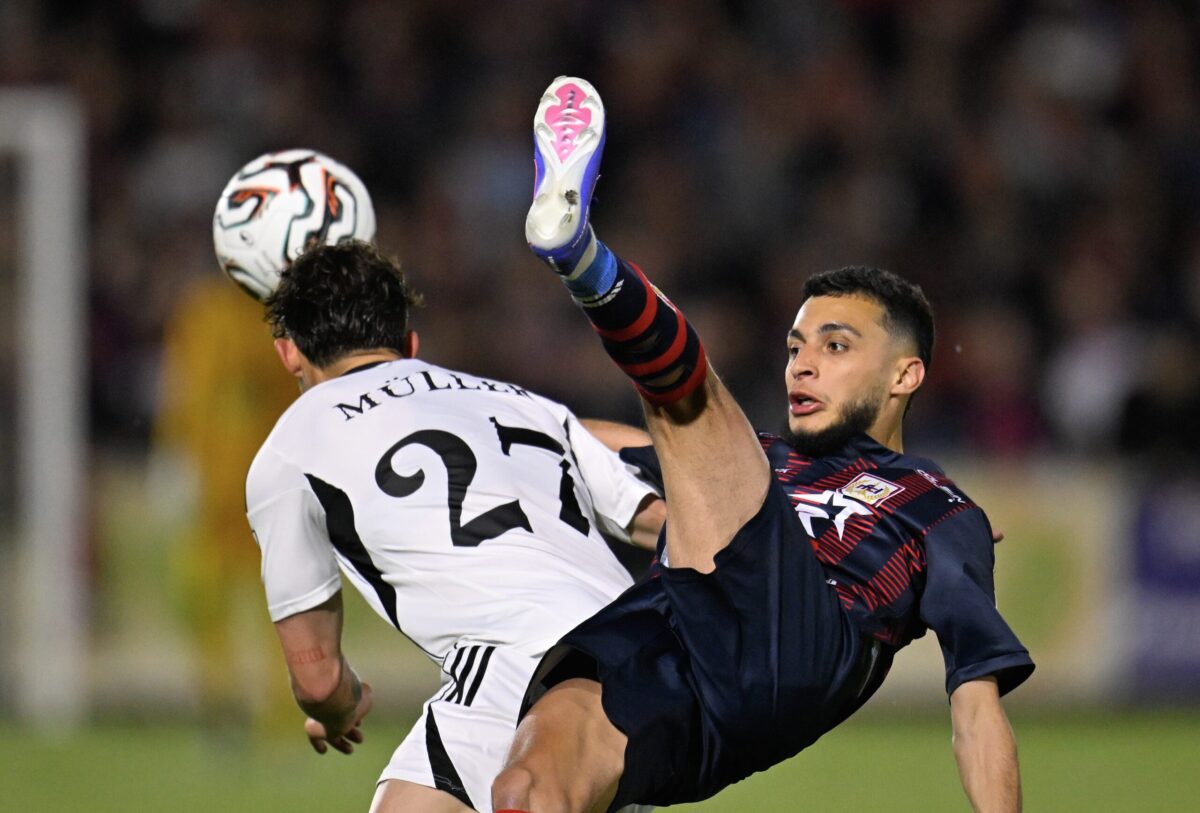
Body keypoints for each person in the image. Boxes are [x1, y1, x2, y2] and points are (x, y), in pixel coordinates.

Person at [491, 76, 1035, 813]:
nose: (802, 364)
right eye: (795, 346)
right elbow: (598, 447)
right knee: (524, 790)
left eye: (836, 345)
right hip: (674, 643)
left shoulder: (935, 505)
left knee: (688, 401)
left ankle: (582, 258)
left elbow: (974, 701)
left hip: (795, 645)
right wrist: (482, 415)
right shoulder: (764, 464)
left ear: (907, 373)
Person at [245, 238, 663, 813]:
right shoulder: (520, 401)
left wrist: (337, 708)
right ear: (409, 344)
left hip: (519, 661)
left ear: (288, 353)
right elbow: (657, 520)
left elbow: (316, 678)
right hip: (645, 652)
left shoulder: (293, 444)